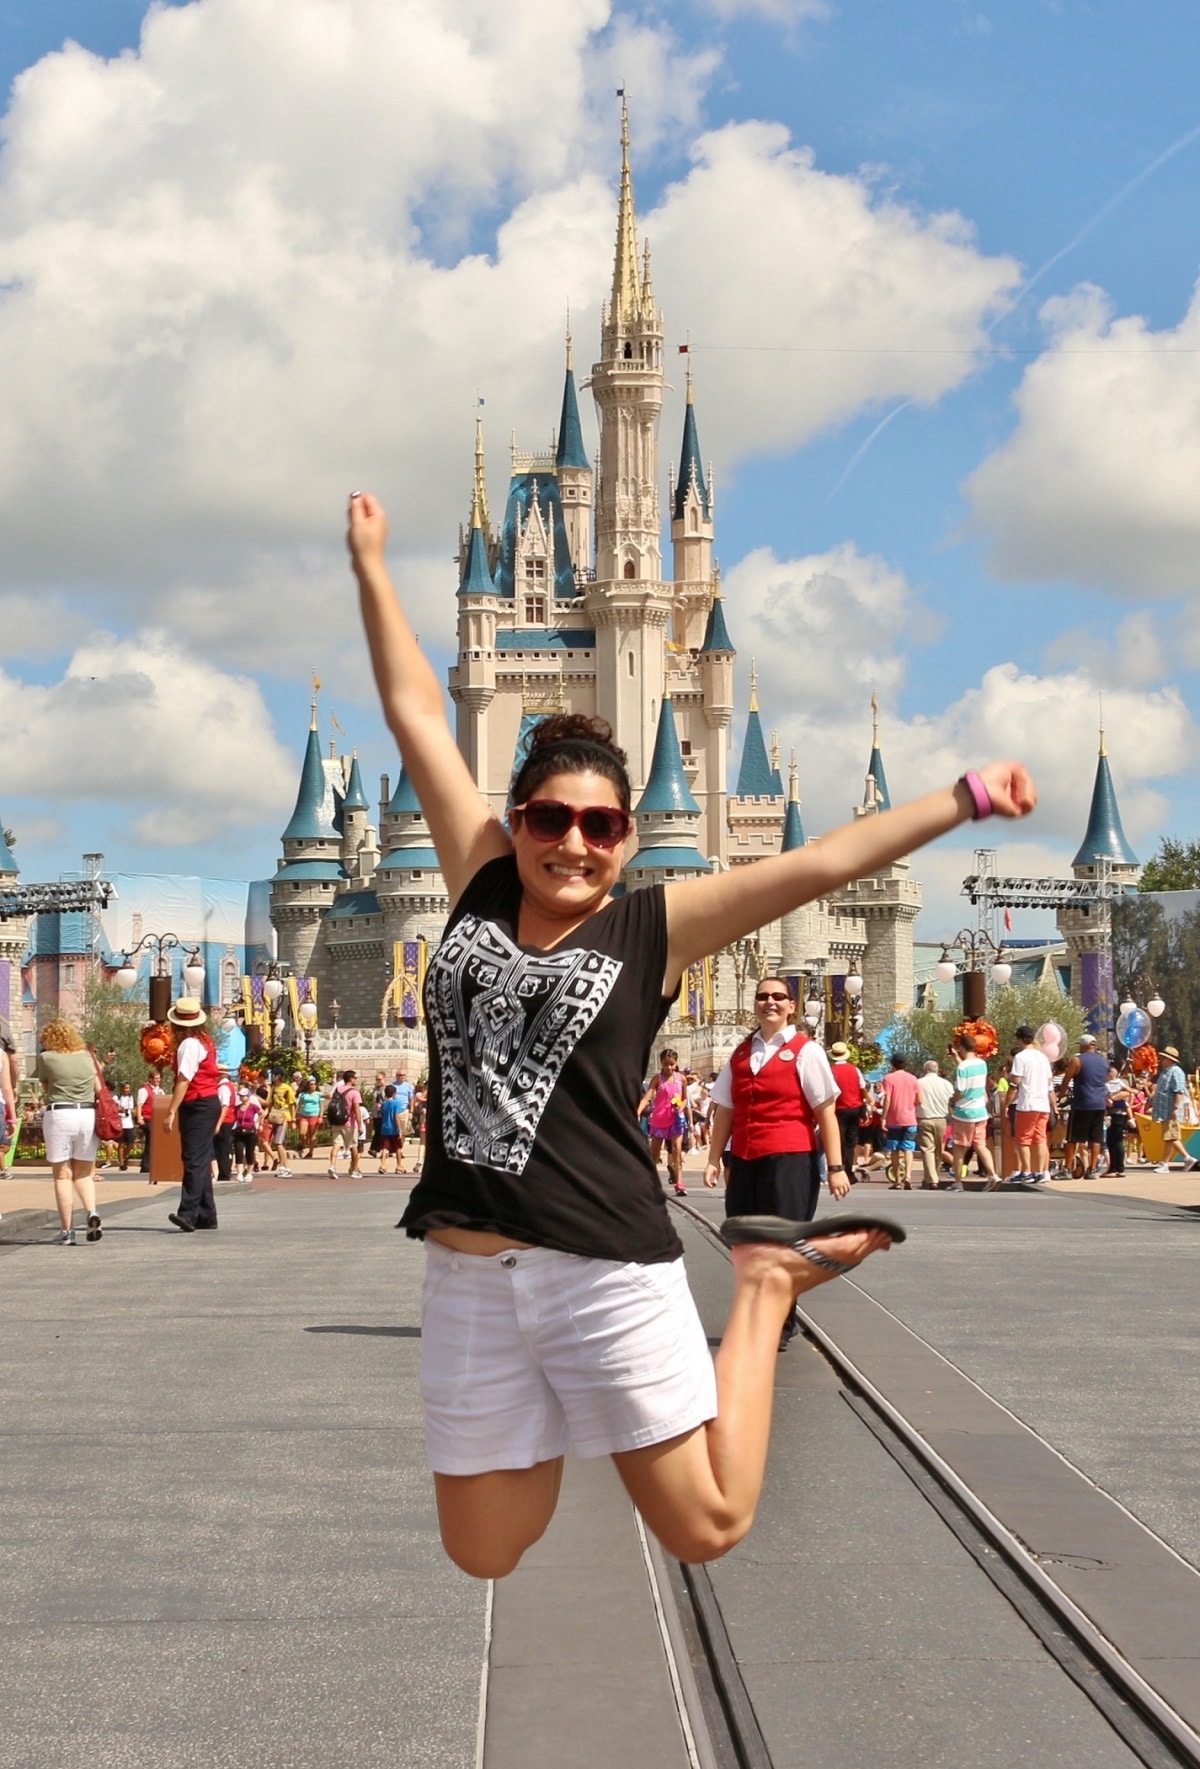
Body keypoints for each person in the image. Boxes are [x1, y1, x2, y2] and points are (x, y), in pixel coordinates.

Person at [348, 486, 1035, 1578]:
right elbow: (417, 714)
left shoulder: (651, 925)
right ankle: (580, 1398)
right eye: (550, 817)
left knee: (707, 1522)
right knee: (486, 1548)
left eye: (603, 823)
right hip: (470, 1272)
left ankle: (761, 1289)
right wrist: (372, 564)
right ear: (513, 820)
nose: (574, 840)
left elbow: (815, 865)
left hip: (602, 1264)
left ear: (628, 838)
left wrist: (959, 796)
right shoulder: (476, 884)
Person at [703, 978, 849, 1348]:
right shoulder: (740, 1053)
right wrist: (713, 1160)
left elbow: (826, 1112)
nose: (770, 1002)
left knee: (784, 1243)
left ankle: (781, 1321)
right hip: (747, 1157)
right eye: (763, 997)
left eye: (778, 997)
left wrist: (835, 1166)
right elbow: (725, 1111)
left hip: (790, 1158)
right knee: (747, 1242)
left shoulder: (806, 1051)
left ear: (791, 1006)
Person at [35, 1019, 102, 1245]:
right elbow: (99, 1089)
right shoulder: (87, 1057)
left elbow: (46, 1087)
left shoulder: (46, 1057)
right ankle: (92, 1212)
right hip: (87, 1114)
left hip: (60, 1113)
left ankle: (68, 1231)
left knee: (63, 1175)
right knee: (84, 1173)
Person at [162, 997, 221, 1232]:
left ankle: (188, 1213)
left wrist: (171, 1110)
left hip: (197, 1102)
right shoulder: (204, 1040)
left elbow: (184, 1079)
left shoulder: (188, 1045)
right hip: (208, 1101)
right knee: (201, 1157)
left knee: (194, 1159)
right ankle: (206, 1214)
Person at [949, 1033, 997, 1191]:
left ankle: (957, 1182)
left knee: (959, 1147)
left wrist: (953, 1100)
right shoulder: (981, 1064)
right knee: (980, 1145)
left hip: (964, 1111)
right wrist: (956, 1059)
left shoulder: (962, 1067)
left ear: (961, 1047)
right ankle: (993, 1174)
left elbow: (961, 1089)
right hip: (980, 1110)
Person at [638, 1049, 689, 1197]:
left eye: (672, 1064)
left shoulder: (681, 1079)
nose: (669, 1068)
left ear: (676, 1063)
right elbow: (647, 1097)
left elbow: (685, 1099)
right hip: (660, 1120)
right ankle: (652, 1183)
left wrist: (682, 1106)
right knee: (655, 1153)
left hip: (676, 1119)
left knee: (677, 1150)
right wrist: (638, 1111)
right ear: (661, 1063)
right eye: (666, 1064)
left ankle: (679, 1183)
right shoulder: (657, 1079)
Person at [1008, 1024, 1054, 1186]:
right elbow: (1049, 1081)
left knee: (1023, 1139)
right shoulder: (1043, 1057)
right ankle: (1042, 1171)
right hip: (1043, 1103)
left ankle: (1026, 1170)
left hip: (1027, 1102)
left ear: (1020, 1039)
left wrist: (1010, 1077)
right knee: (1040, 1138)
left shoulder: (1021, 1057)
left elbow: (1017, 1080)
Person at [1061, 1033, 1110, 1178]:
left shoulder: (1077, 1060)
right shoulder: (1103, 1062)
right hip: (1099, 1104)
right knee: (1095, 1139)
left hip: (1082, 1103)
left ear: (1083, 1045)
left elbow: (1067, 1079)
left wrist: (1061, 1094)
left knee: (1073, 1138)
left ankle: (1067, 1169)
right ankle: (1092, 1169)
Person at [1149, 1045, 1198, 1172]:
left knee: (1170, 1136)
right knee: (1171, 1136)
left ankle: (1165, 1164)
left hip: (1171, 1110)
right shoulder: (1166, 1072)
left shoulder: (1176, 1072)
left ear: (1170, 1059)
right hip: (1165, 1110)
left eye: (1164, 1058)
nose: (1161, 1060)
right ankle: (1188, 1158)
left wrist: (1175, 1108)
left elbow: (1179, 1091)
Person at [881, 1053, 920, 1189]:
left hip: (894, 1119)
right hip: (910, 1118)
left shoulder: (888, 1079)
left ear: (892, 1064)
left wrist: (883, 1117)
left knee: (895, 1150)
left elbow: (887, 1099)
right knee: (909, 1148)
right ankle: (908, 1176)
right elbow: (919, 1100)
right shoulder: (913, 1079)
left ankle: (898, 1180)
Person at [827, 1041, 866, 1180]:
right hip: (855, 1107)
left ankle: (841, 1167)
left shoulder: (831, 1071)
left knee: (839, 1140)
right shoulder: (854, 1069)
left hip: (840, 1108)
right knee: (851, 1141)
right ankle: (849, 1170)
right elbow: (862, 1088)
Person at [914, 1060, 954, 1190]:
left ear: (925, 1070)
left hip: (925, 1118)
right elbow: (951, 1100)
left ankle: (931, 1178)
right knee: (938, 1149)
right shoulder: (946, 1084)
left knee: (927, 1149)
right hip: (942, 1119)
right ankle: (934, 1176)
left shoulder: (919, 1083)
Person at [326, 1069, 363, 1177]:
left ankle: (332, 1165)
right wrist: (359, 1124)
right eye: (355, 1078)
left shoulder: (337, 1090)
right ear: (351, 1079)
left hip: (337, 1121)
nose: (356, 1080)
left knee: (336, 1145)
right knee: (353, 1146)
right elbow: (356, 1109)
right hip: (349, 1123)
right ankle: (355, 1170)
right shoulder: (354, 1092)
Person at [1104, 1066, 1132, 1178]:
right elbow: (1130, 1091)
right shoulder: (1121, 1083)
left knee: (1115, 1141)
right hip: (1119, 1113)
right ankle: (1115, 1167)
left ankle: (1117, 1168)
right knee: (1114, 1141)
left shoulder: (1108, 1085)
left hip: (1115, 1113)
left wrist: (1112, 1098)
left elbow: (1128, 1093)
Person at [136, 1068, 164, 1174]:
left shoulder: (160, 1090)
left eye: (159, 1078)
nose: (158, 1080)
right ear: (150, 1079)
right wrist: (139, 1117)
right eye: (156, 1078)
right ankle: (146, 1166)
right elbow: (140, 1104)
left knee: (155, 1142)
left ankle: (152, 1164)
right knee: (151, 1141)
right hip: (147, 1119)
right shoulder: (144, 1090)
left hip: (157, 1119)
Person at [232, 1085, 263, 1179]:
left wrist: (258, 1123)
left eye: (243, 1096)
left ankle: (249, 1172)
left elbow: (262, 1113)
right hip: (239, 1131)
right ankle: (239, 1172)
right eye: (240, 1096)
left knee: (250, 1152)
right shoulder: (237, 1107)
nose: (242, 1098)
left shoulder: (253, 1107)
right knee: (239, 1152)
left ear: (248, 1096)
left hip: (250, 1131)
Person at [214, 1071, 237, 1182]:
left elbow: (224, 1106)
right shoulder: (229, 1086)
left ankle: (224, 1174)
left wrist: (218, 1123)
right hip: (228, 1120)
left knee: (222, 1149)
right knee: (224, 1148)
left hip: (224, 1121)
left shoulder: (223, 1088)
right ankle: (224, 1172)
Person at [377, 1083, 402, 1174]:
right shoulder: (396, 1103)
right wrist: (399, 1129)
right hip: (393, 1128)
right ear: (394, 1093)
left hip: (385, 1127)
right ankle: (399, 1166)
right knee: (398, 1147)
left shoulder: (384, 1104)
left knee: (384, 1147)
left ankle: (383, 1165)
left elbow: (382, 1115)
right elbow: (396, 1116)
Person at [296, 1075, 323, 1159]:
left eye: (314, 1084)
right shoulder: (303, 1094)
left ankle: (311, 1152)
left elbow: (321, 1106)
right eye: (311, 1084)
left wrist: (320, 1116)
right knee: (302, 1133)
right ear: (308, 1085)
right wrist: (296, 1113)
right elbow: (299, 1104)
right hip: (304, 1115)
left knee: (312, 1135)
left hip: (314, 1115)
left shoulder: (319, 1094)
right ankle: (304, 1144)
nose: (313, 1086)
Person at [115, 1081, 137, 1172]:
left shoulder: (131, 1097)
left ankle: (125, 1155)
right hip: (120, 1123)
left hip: (129, 1123)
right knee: (121, 1143)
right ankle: (121, 1163)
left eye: (128, 1088)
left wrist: (134, 1112)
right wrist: (120, 1110)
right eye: (126, 1088)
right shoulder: (117, 1098)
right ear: (121, 1089)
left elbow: (135, 1109)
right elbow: (112, 1108)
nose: (127, 1090)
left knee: (131, 1142)